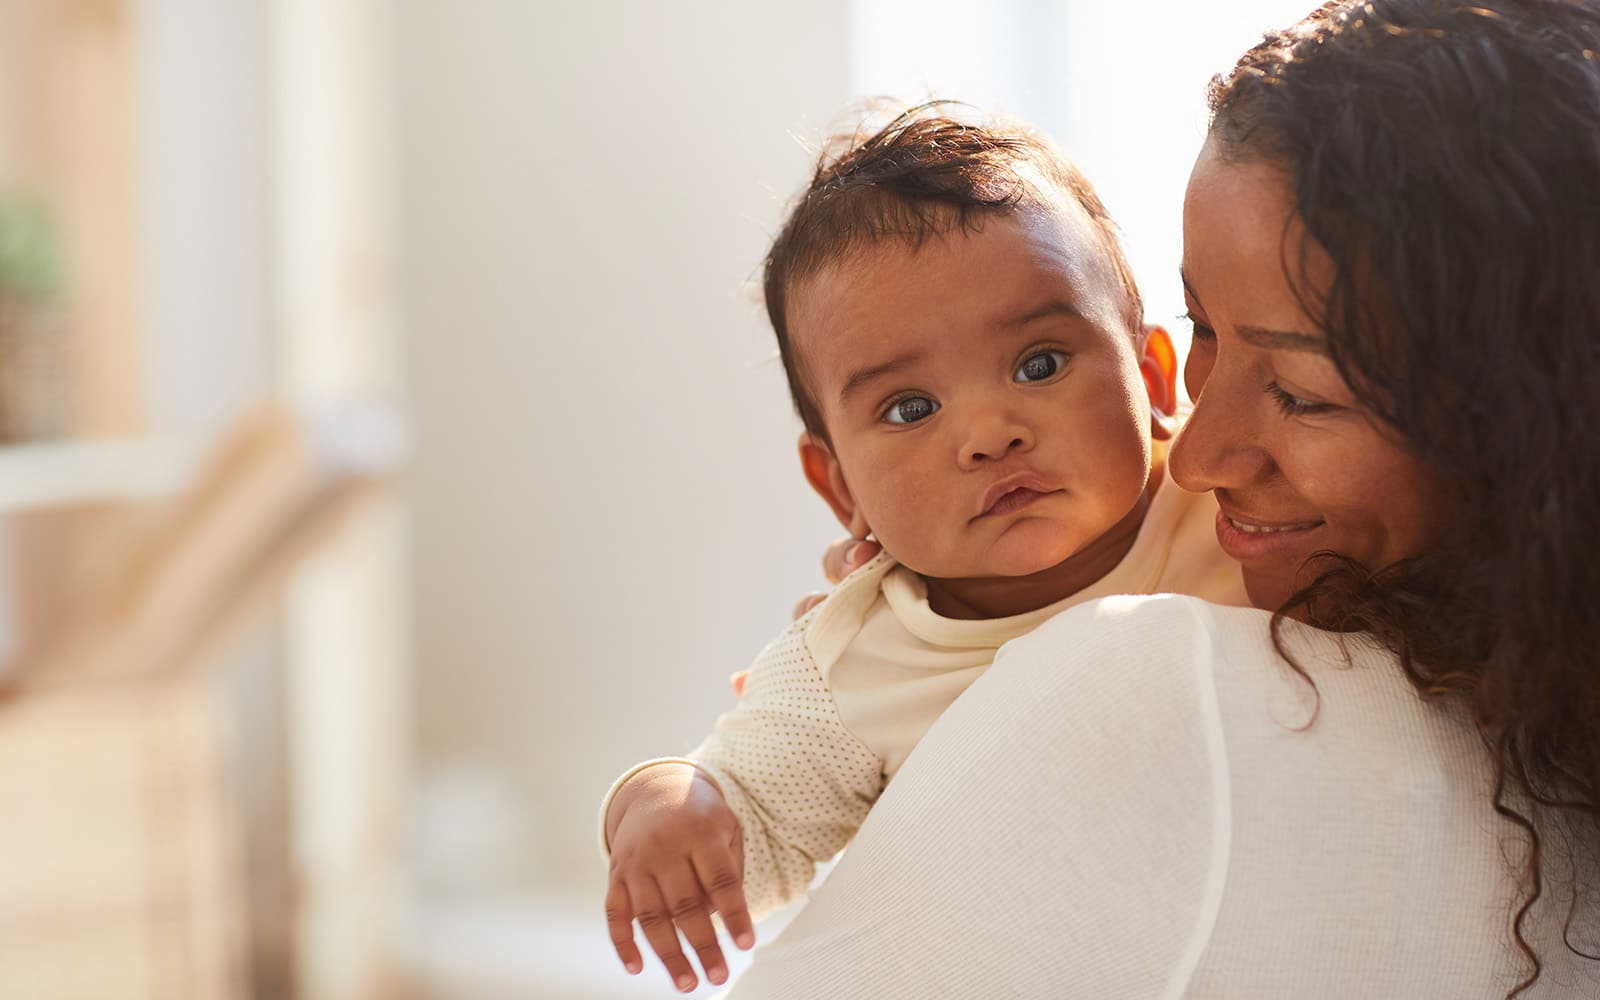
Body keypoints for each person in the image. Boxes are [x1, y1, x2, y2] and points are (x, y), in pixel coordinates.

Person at [721, 1, 1600, 997]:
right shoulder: (1544, 720)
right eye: (1206, 329)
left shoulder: (1143, 675)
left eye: (1301, 391)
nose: (1189, 456)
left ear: (1530, 431)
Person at [599, 106, 1248, 994]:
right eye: (910, 408)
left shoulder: (1233, 503)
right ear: (840, 489)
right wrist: (663, 802)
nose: (988, 433)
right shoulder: (854, 657)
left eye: (1040, 363)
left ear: (1155, 377)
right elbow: (753, 822)